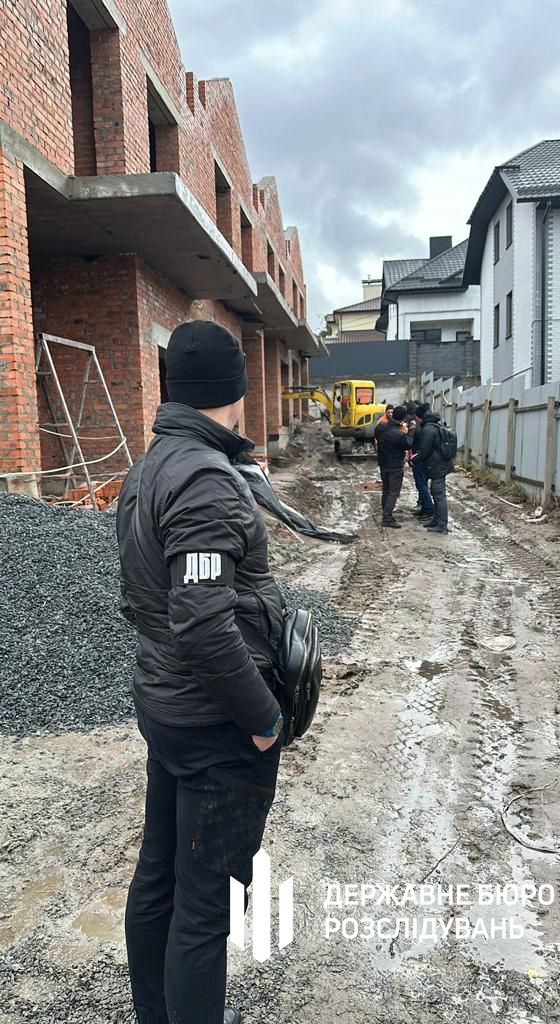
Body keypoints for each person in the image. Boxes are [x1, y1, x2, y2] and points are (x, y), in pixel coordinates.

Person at [116, 320, 286, 1024]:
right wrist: (264, 719)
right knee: (206, 905)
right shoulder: (205, 481)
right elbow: (204, 623)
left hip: (168, 707)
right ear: (235, 392)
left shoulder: (151, 465)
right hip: (214, 723)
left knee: (159, 874)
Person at [410, 407, 454, 534]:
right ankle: (436, 520)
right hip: (439, 465)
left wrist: (413, 459)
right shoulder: (434, 427)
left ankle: (442, 525)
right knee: (436, 493)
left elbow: (424, 450)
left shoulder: (428, 430)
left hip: (437, 466)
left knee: (439, 495)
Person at [374, 404, 414, 528]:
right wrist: (411, 431)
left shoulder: (380, 427)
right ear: (403, 418)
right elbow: (408, 444)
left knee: (386, 489)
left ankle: (385, 511)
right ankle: (387, 518)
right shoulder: (399, 434)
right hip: (395, 465)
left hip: (383, 463)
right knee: (393, 492)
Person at [409, 404, 435, 521]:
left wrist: (413, 459)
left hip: (420, 461)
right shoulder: (428, 427)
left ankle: (429, 510)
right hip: (425, 460)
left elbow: (420, 447)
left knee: (422, 486)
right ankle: (425, 508)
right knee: (422, 485)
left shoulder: (422, 429)